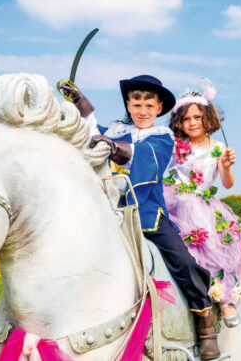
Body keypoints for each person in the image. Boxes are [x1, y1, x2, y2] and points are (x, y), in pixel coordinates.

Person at [61, 75, 222, 360]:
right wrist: (81, 103)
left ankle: (205, 324)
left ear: (159, 108)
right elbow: (89, 133)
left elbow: (143, 155)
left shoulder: (161, 137)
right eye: (137, 103)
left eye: (149, 104)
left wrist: (114, 148)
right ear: (128, 104)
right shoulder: (116, 129)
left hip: (147, 213)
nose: (143, 110)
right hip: (108, 211)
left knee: (183, 262)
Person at [163, 84, 241, 329]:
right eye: (186, 119)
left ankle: (223, 299)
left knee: (217, 246)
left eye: (197, 117)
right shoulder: (176, 146)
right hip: (175, 201)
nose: (192, 123)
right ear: (179, 122)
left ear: (207, 118)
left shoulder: (218, 148)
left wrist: (227, 165)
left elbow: (227, 184)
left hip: (202, 204)